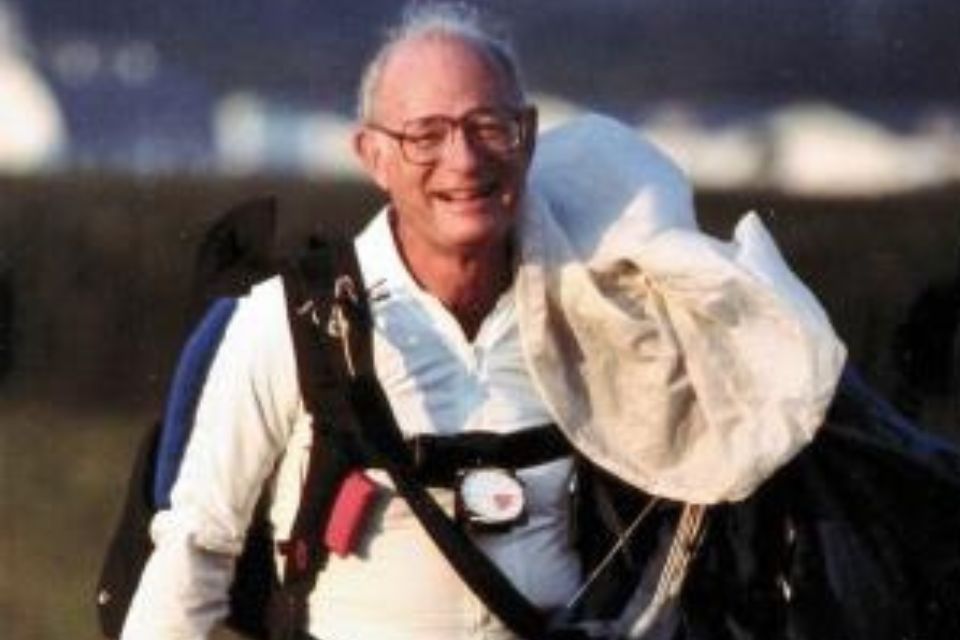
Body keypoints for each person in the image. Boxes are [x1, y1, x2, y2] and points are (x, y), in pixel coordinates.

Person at [121, 4, 960, 640]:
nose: (465, 160)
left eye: (491, 126)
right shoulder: (290, 323)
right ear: (372, 156)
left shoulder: (602, 305)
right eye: (427, 135)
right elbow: (197, 546)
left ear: (525, 138)